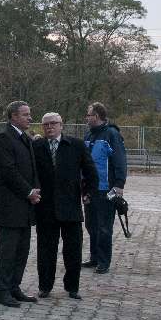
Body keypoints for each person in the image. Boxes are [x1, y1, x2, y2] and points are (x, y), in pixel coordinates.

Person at [33, 112, 98, 300]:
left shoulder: (76, 145)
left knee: (73, 251)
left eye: (53, 123)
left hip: (70, 207)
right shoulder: (36, 147)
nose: (50, 127)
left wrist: (88, 193)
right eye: (46, 124)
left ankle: (72, 287)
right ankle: (45, 286)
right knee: (46, 251)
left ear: (61, 125)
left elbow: (91, 172)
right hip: (45, 208)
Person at [0, 101, 40, 308]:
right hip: (10, 207)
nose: (30, 118)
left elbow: (32, 169)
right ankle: (2, 290)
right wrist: (29, 192)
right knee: (8, 251)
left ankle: (14, 287)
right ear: (13, 116)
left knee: (22, 250)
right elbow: (8, 171)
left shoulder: (25, 138)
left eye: (29, 114)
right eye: (25, 114)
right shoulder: (3, 139)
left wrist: (35, 190)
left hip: (26, 207)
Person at [82, 102, 127, 274]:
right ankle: (94, 257)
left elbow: (120, 160)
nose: (86, 118)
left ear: (96, 116)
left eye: (88, 115)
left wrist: (119, 184)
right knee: (91, 225)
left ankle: (103, 261)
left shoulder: (111, 134)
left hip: (106, 189)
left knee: (104, 227)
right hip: (90, 188)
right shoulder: (88, 135)